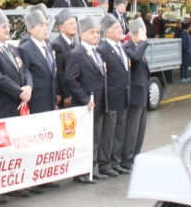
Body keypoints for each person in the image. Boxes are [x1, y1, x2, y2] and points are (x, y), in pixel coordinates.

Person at [64, 16, 107, 183]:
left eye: (97, 32)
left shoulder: (97, 52)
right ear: (82, 34)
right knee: (85, 139)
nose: (96, 35)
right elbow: (70, 79)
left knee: (96, 137)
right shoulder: (77, 53)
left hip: (99, 102)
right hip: (86, 105)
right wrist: (84, 98)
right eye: (92, 32)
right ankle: (81, 172)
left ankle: (92, 167)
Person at [0, 10, 32, 119]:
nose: (8, 29)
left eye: (8, 26)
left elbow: (24, 70)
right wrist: (20, 92)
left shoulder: (13, 49)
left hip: (20, 104)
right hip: (3, 107)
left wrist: (29, 87)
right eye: (3, 27)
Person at [97, 15, 131, 177]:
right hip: (110, 97)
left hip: (124, 96)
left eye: (120, 27)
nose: (120, 30)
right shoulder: (102, 50)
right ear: (107, 33)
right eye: (116, 28)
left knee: (119, 132)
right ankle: (104, 163)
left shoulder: (122, 47)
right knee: (108, 133)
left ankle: (115, 162)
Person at [18, 7, 58, 114]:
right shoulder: (25, 49)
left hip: (51, 100)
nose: (45, 28)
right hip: (36, 102)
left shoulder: (48, 46)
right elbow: (25, 75)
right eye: (41, 25)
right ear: (30, 29)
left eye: (46, 25)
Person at [122, 19, 149, 172]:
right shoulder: (128, 47)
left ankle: (135, 157)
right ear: (133, 34)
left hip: (142, 94)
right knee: (132, 130)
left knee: (140, 130)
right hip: (134, 95)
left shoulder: (138, 48)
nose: (145, 36)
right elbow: (135, 58)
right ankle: (127, 159)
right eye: (142, 33)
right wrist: (142, 43)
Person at [51, 10, 78, 108]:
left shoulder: (75, 44)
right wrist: (66, 95)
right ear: (61, 27)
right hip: (66, 94)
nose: (74, 26)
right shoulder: (57, 45)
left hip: (76, 91)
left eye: (75, 23)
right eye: (71, 23)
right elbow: (59, 72)